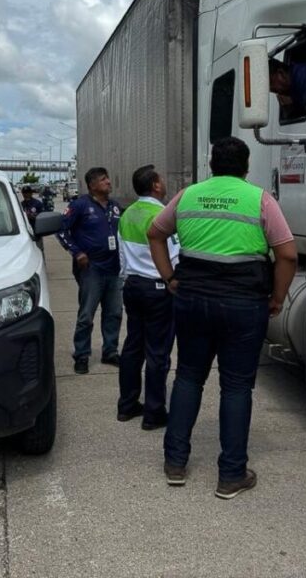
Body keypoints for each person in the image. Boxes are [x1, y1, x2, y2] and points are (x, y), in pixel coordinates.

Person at [148, 137, 297, 499]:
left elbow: (155, 233)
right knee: (236, 386)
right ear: (246, 167)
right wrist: (276, 298)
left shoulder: (187, 196)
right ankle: (231, 474)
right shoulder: (259, 199)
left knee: (187, 377)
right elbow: (288, 255)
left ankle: (175, 464)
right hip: (243, 306)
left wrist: (170, 278)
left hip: (192, 301)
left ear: (211, 165)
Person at [116, 165, 179, 430]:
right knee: (158, 353)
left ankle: (127, 405)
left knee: (132, 347)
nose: (164, 183)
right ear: (155, 185)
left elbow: (120, 254)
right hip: (157, 288)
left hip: (132, 286)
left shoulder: (127, 214)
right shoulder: (161, 215)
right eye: (162, 179)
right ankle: (154, 413)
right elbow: (174, 255)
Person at [57, 167, 124, 374]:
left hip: (114, 268)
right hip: (91, 269)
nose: (109, 182)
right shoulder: (80, 205)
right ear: (92, 185)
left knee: (114, 313)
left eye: (108, 178)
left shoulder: (115, 206)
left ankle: (110, 351)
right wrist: (77, 252)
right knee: (86, 314)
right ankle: (82, 355)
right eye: (104, 180)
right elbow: (61, 230)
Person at [269, 57, 306, 123]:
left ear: (281, 73)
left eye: (271, 82)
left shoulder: (302, 77)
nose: (271, 89)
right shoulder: (292, 89)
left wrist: (291, 106)